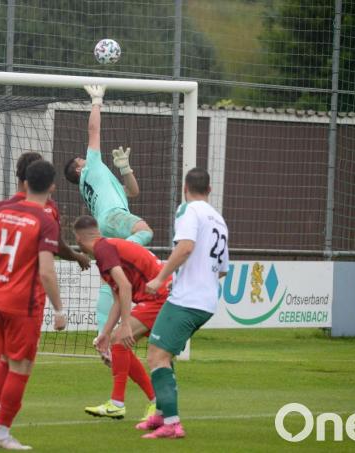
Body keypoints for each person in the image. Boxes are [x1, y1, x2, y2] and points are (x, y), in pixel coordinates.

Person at [0, 159, 67, 450]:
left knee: (3, 360)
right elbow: (47, 272)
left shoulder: (2, 209)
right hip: (23, 304)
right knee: (21, 365)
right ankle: (1, 433)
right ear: (51, 186)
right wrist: (59, 310)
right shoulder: (45, 219)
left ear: (24, 182)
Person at [63, 85, 154, 369]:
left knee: (112, 285)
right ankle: (126, 249)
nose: (85, 155)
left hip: (110, 219)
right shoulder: (90, 168)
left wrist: (126, 169)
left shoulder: (99, 182)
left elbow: (134, 193)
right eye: (81, 158)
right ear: (79, 169)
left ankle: (103, 338)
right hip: (114, 218)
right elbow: (94, 132)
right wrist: (96, 102)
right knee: (146, 231)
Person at [0, 151, 90, 372]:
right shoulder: (46, 211)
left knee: (0, 342)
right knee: (21, 361)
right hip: (28, 292)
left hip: (1, 289)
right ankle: (5, 404)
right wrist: (76, 256)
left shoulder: (3, 208)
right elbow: (55, 247)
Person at [139, 168, 230, 439]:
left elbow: (186, 246)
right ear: (210, 190)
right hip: (205, 300)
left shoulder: (190, 210)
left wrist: (160, 278)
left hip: (187, 299)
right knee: (163, 353)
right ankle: (161, 414)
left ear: (184, 188)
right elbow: (222, 268)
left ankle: (172, 424)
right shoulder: (219, 219)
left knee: (156, 356)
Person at [73, 215, 170, 422]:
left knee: (121, 340)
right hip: (160, 296)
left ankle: (117, 404)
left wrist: (125, 325)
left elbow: (125, 286)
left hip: (161, 297)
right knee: (119, 342)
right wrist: (105, 333)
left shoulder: (103, 250)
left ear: (78, 240)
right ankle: (155, 401)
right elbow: (118, 297)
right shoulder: (106, 249)